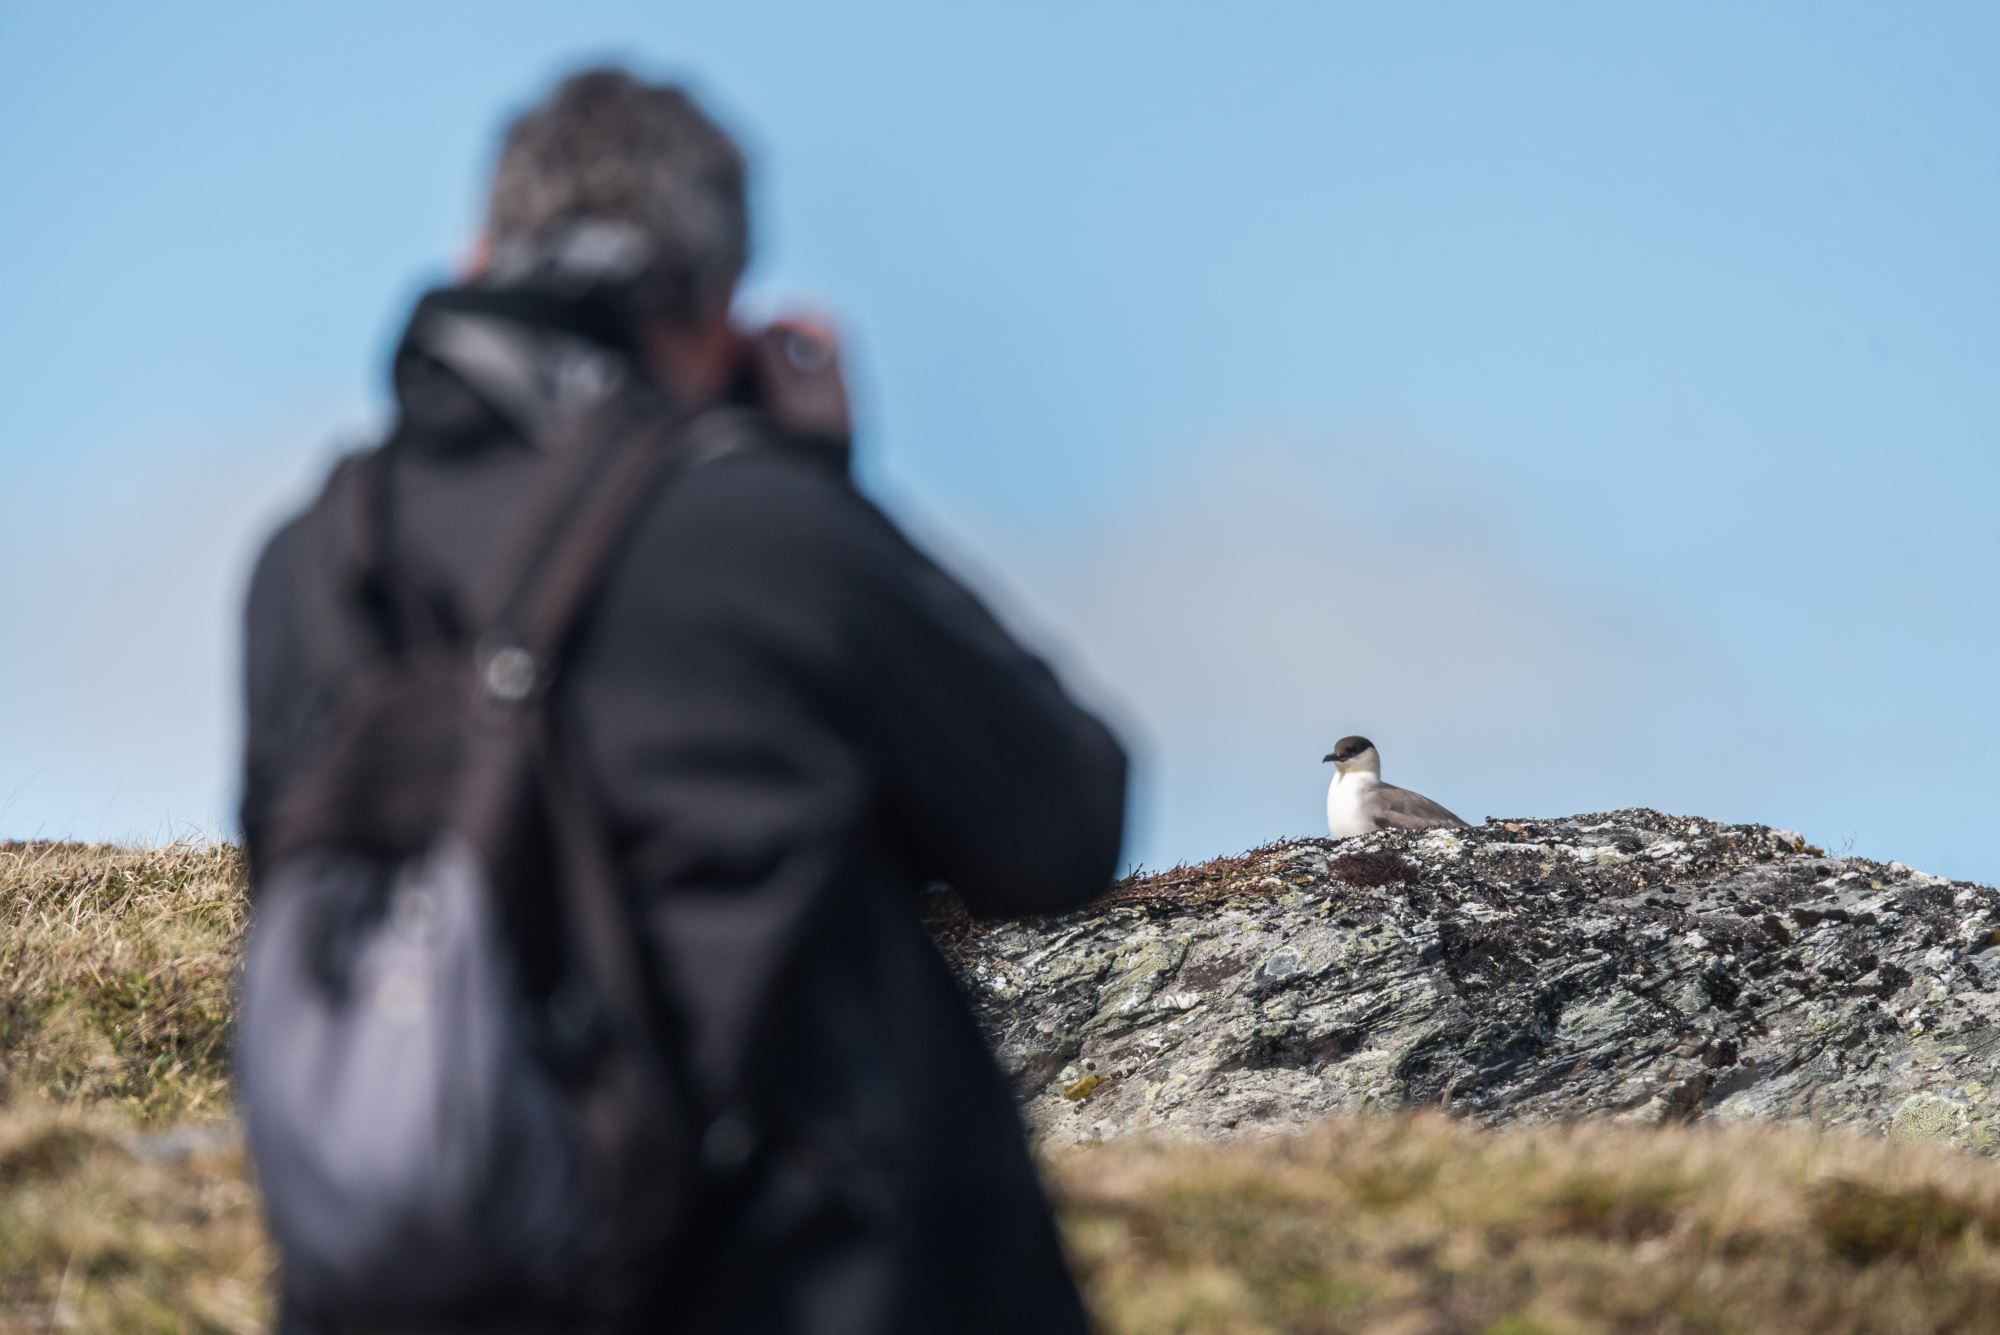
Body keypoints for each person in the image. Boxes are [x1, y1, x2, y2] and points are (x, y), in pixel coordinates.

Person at [239, 66, 1127, 1334]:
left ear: (482, 254)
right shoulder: (758, 531)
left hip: (413, 1289)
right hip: (792, 1284)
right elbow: (1058, 824)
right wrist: (819, 482)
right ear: (718, 310)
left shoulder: (315, 559)